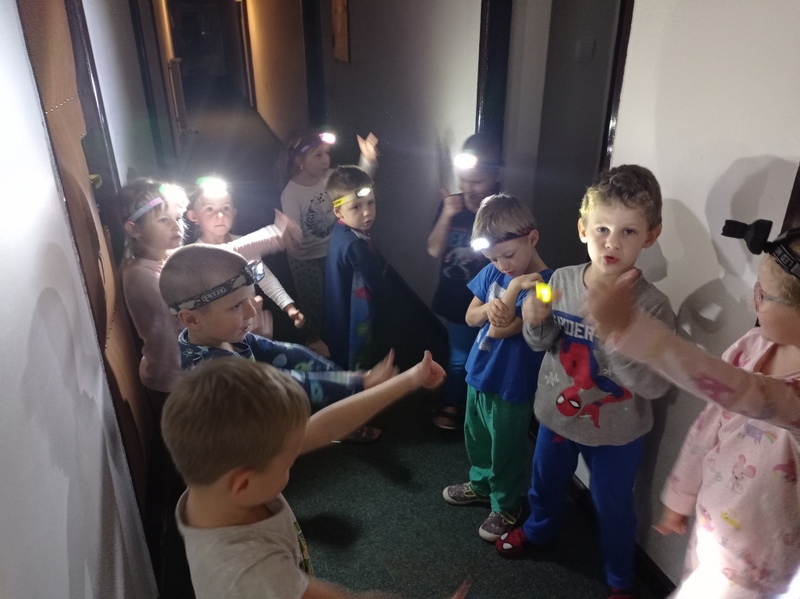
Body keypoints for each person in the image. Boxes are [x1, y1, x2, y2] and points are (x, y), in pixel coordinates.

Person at [584, 220, 800, 599]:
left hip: (759, 565)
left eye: (765, 295)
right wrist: (681, 496)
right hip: (712, 523)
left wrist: (631, 328)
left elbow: (741, 391)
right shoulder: (751, 345)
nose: (754, 301)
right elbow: (709, 424)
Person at [496, 165, 675, 599]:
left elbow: (656, 387)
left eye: (629, 231)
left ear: (651, 236)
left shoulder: (653, 306)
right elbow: (541, 343)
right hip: (556, 420)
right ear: (582, 229)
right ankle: (539, 530)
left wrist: (616, 335)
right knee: (544, 484)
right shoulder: (559, 280)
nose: (612, 242)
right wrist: (535, 321)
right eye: (602, 229)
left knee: (613, 507)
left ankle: (619, 578)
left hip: (618, 432)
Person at [162, 353, 448, 599]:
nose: (295, 458)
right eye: (288, 463)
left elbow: (325, 427)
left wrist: (409, 380)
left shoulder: (215, 479)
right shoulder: (249, 575)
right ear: (244, 483)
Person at [159, 243, 387, 441]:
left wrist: (342, 376)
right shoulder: (212, 370)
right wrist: (355, 383)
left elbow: (286, 352)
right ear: (192, 319)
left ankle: (344, 413)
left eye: (251, 298)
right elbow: (283, 384)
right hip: (244, 439)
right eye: (236, 306)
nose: (252, 311)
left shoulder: (218, 334)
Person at [119, 178, 299, 401]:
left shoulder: (168, 258)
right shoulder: (139, 275)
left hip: (198, 368)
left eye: (177, 218)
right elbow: (192, 305)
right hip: (173, 381)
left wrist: (275, 235)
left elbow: (222, 253)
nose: (176, 226)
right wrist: (241, 322)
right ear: (134, 229)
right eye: (164, 220)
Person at [442, 193, 552, 542]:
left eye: (508, 255)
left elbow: (501, 327)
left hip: (512, 383)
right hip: (480, 371)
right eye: (492, 258)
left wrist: (516, 287)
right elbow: (469, 316)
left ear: (532, 238)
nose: (501, 265)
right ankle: (481, 485)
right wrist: (498, 298)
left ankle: (506, 505)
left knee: (506, 447)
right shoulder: (493, 271)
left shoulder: (546, 285)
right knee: (477, 437)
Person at [280, 129, 378, 357]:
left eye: (327, 153)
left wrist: (367, 159)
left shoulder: (330, 178)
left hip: (332, 250)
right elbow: (293, 229)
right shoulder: (291, 193)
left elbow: (356, 185)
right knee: (312, 300)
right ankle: (313, 338)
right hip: (305, 258)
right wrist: (290, 234)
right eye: (318, 155)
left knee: (336, 295)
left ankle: (337, 332)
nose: (326, 160)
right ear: (300, 160)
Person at [427, 133, 502, 430]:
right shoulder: (451, 207)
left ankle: (482, 405)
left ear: (495, 177)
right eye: (464, 180)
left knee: (488, 352)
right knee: (459, 356)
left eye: (477, 182)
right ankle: (453, 400)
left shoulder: (501, 211)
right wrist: (447, 214)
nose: (469, 188)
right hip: (456, 297)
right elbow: (434, 249)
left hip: (490, 299)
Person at [186, 176, 304, 338]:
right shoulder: (193, 255)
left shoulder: (244, 243)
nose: (220, 215)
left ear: (234, 212)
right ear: (193, 216)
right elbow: (222, 255)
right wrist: (275, 234)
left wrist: (288, 306)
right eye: (209, 209)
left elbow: (263, 277)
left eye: (226, 208)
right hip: (220, 333)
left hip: (252, 323)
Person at [324, 166, 386, 370]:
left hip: (336, 304)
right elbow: (376, 284)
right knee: (356, 358)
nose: (367, 212)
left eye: (371, 203)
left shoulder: (342, 229)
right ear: (338, 211)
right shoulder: (355, 245)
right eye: (356, 207)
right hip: (352, 311)